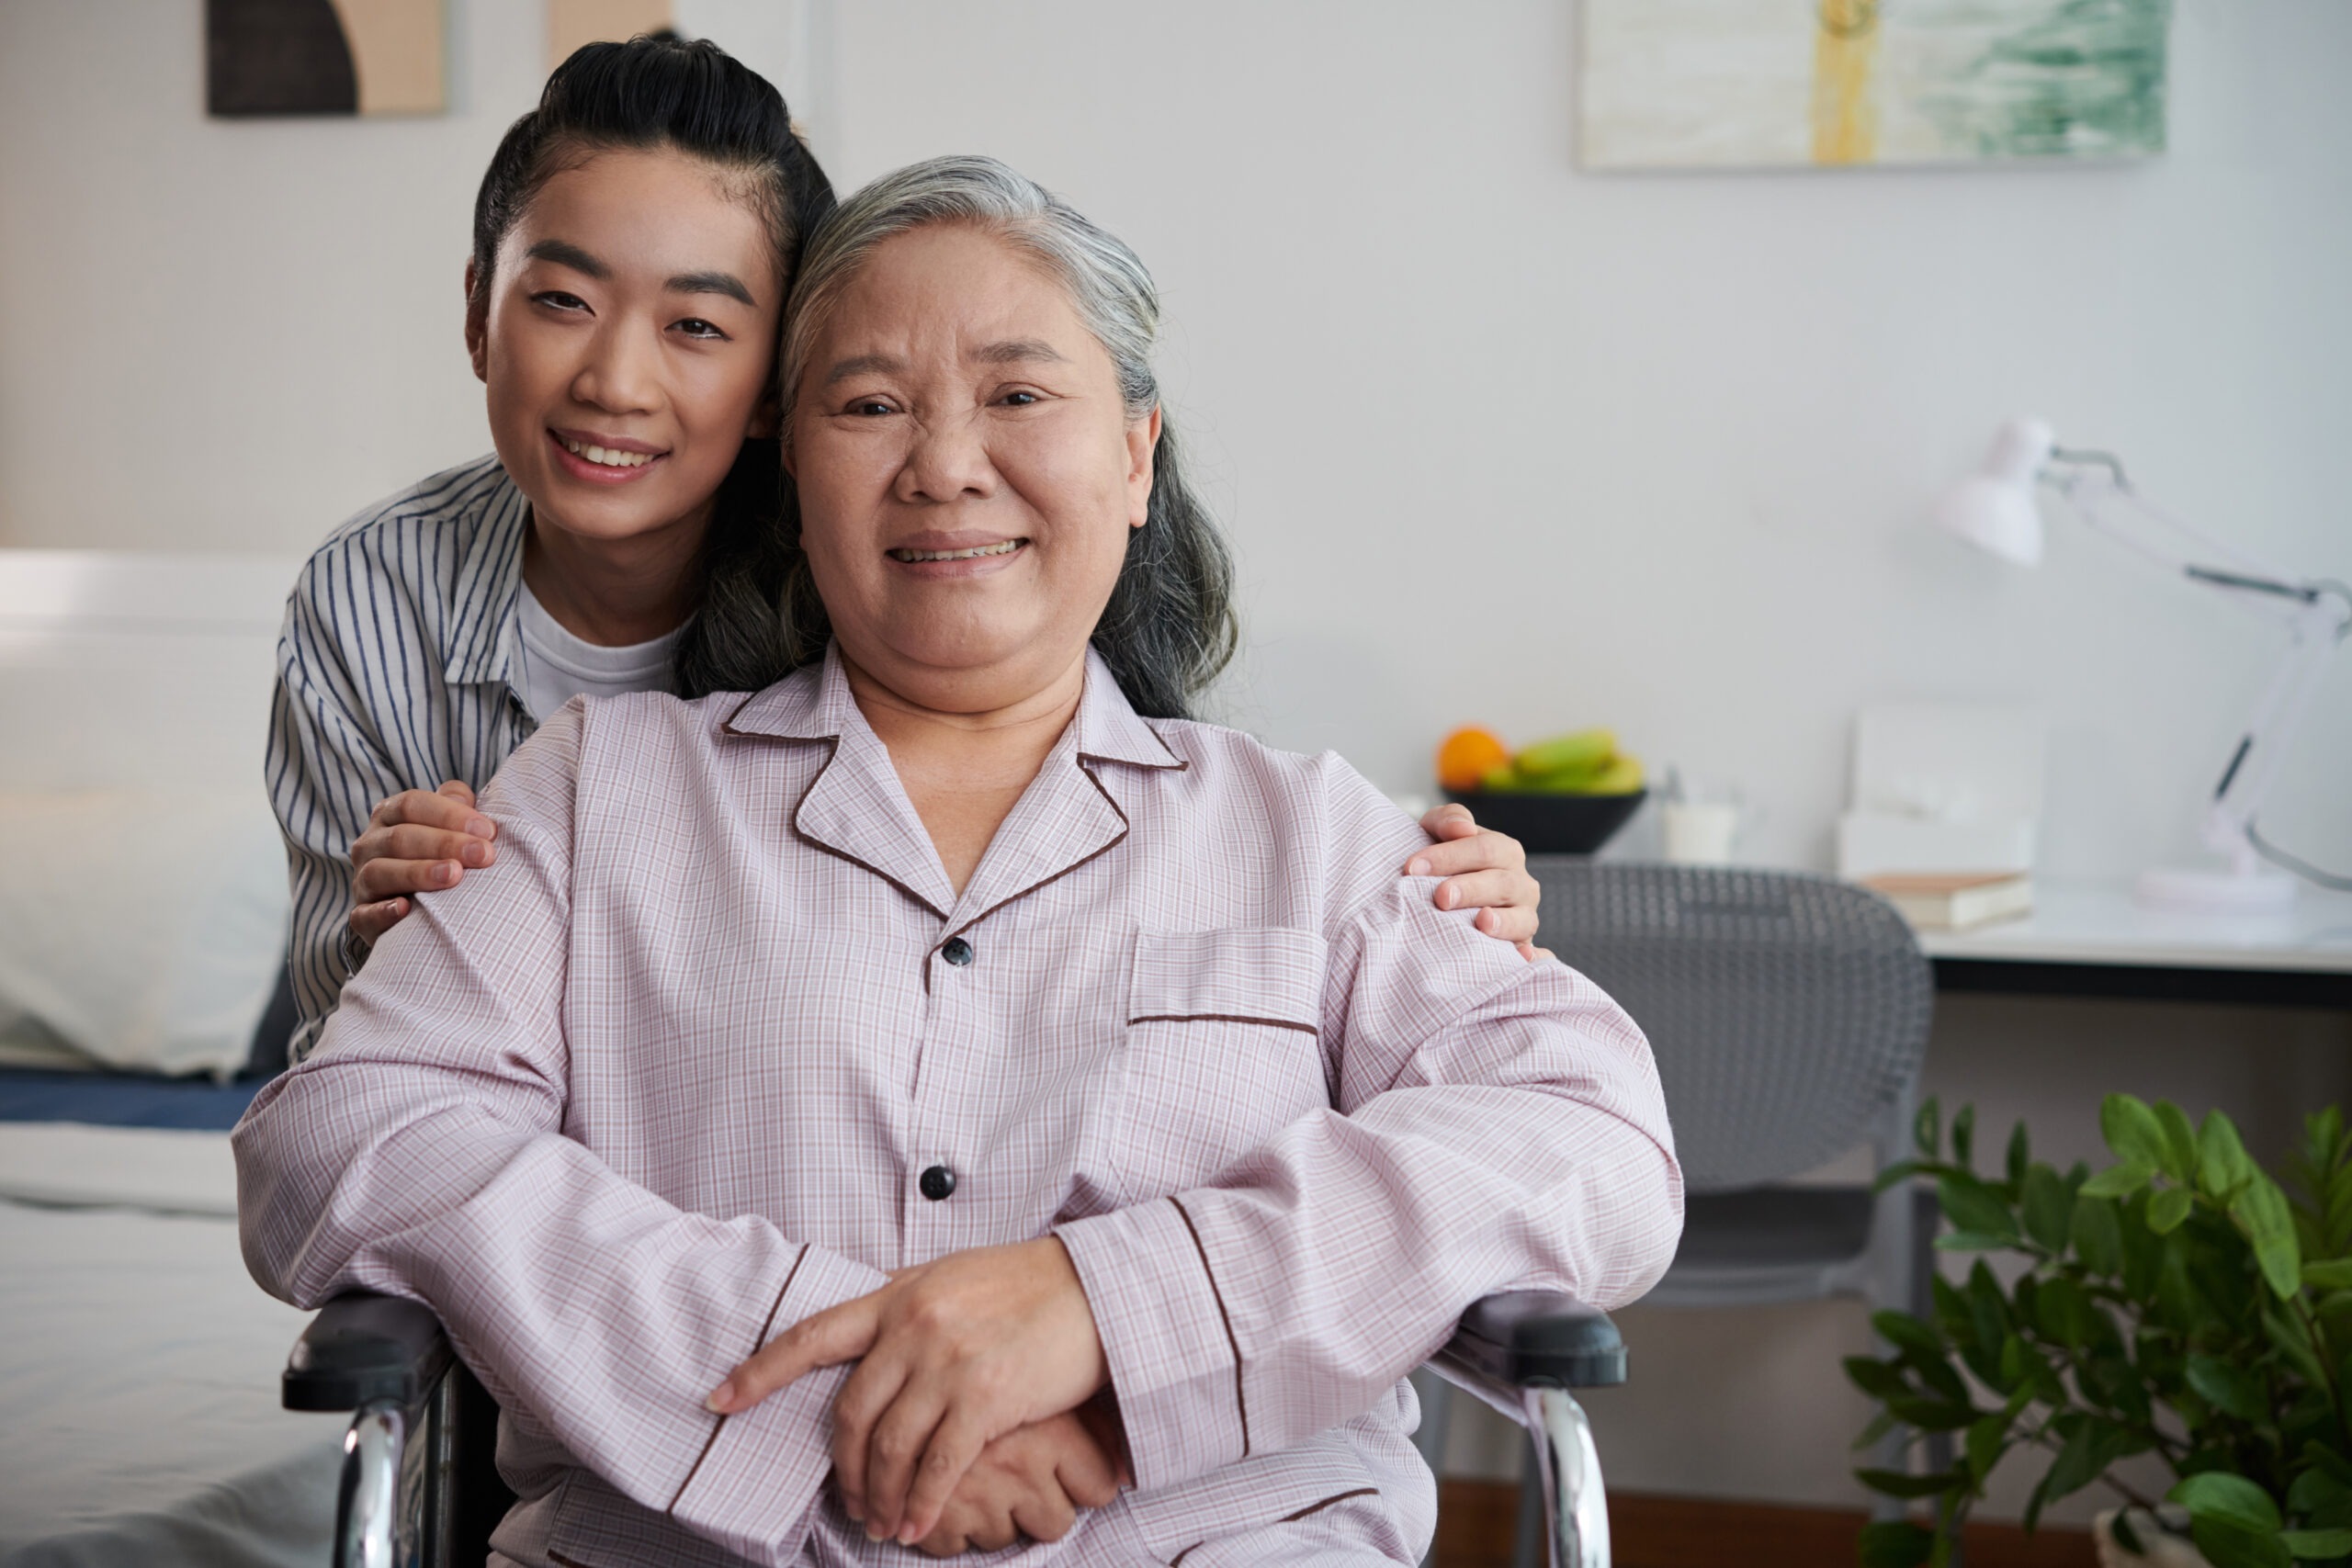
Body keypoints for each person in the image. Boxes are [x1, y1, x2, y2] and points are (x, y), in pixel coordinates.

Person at [235, 157, 1680, 1566]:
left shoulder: (1312, 835)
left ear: (1132, 457)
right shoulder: (593, 796)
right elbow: (345, 1135)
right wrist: (838, 1392)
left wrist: (1115, 1323)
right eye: (870, 404)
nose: (942, 464)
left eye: (1018, 394)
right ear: (791, 467)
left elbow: (1594, 1141)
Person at [266, 36, 1544, 1068]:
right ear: (478, 314)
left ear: (773, 389)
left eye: (700, 325)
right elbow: (351, 1073)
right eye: (561, 301)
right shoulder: (379, 603)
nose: (616, 379)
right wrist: (412, 940)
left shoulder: (904, 572)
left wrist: (1402, 901)